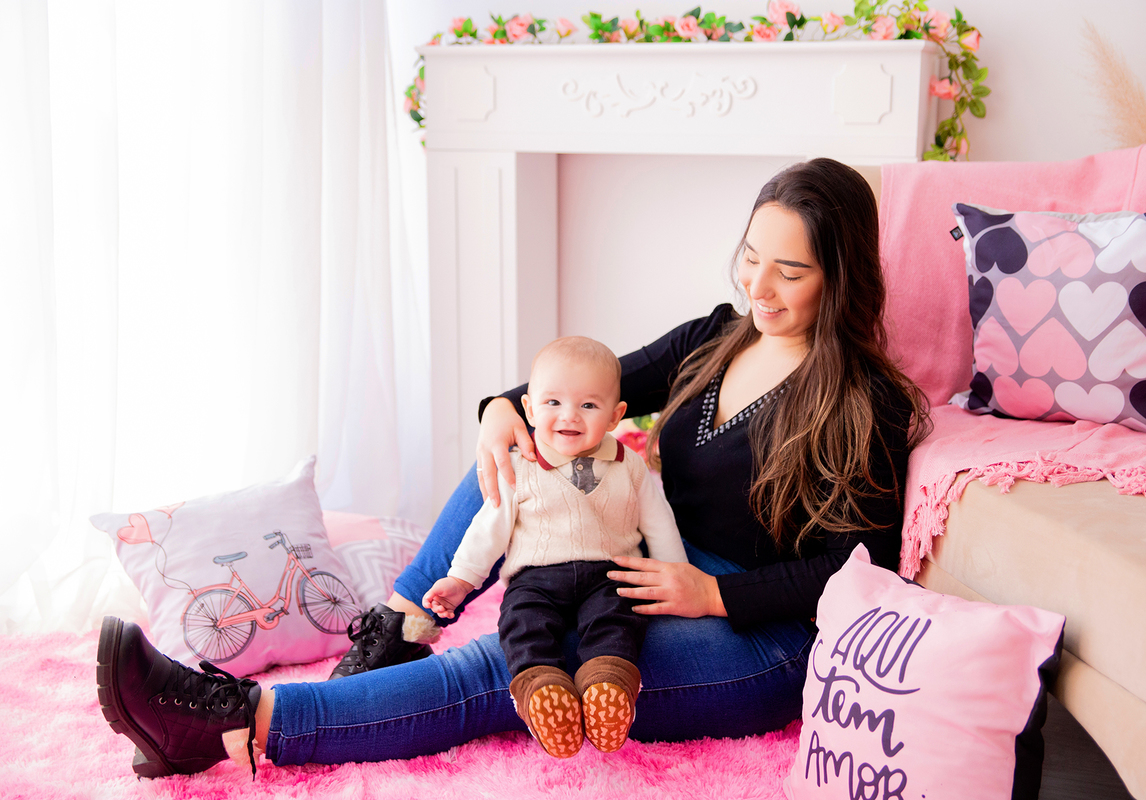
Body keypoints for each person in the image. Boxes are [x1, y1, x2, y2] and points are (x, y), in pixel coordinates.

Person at [94, 157, 929, 779]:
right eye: (752, 256)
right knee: (529, 444)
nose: (760, 286)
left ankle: (235, 720)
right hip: (645, 569)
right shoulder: (716, 335)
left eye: (790, 271)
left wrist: (714, 594)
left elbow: (864, 569)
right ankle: (396, 629)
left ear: (841, 274)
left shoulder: (866, 400)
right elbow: (581, 385)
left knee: (520, 667)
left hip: (764, 636)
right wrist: (501, 410)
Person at [422, 335, 687, 758]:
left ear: (617, 415)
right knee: (522, 623)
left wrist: (676, 572)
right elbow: (488, 527)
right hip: (537, 578)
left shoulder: (629, 464)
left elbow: (659, 523)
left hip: (612, 572)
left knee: (618, 619)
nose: (569, 416)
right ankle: (542, 691)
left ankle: (608, 686)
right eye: (553, 403)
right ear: (528, 409)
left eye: (588, 405)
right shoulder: (521, 465)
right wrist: (460, 580)